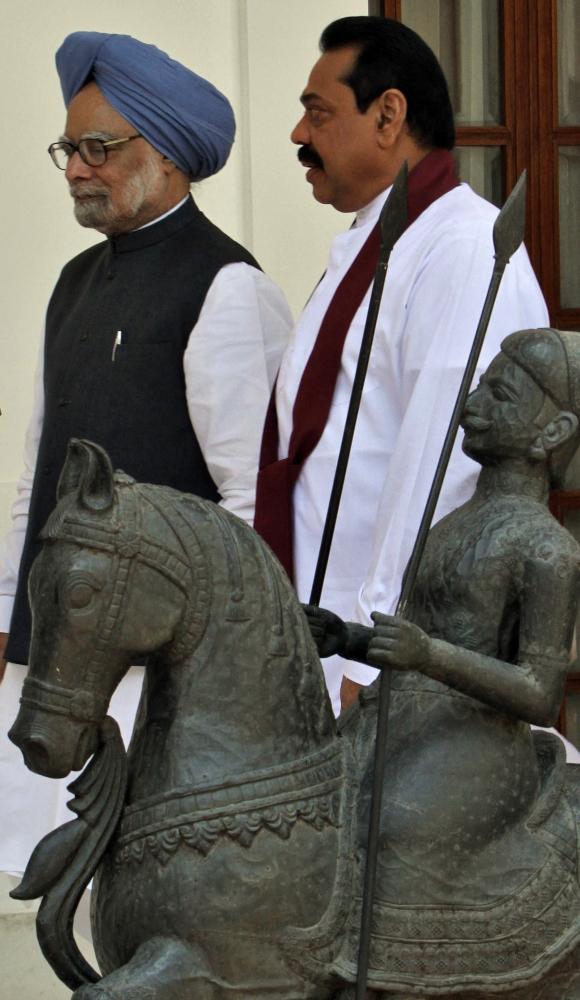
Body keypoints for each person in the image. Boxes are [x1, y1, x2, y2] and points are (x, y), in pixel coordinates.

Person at [0, 31, 291, 874]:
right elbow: (39, 477)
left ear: (165, 154)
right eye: (70, 148)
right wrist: (6, 613)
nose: (77, 168)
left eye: (99, 147)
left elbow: (250, 514)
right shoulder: (73, 285)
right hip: (50, 666)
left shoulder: (228, 287)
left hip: (157, 684)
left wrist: (225, 682)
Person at [254, 16, 549, 717]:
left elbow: (448, 465)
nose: (299, 134)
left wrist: (374, 649)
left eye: (318, 112)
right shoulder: (376, 244)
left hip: (383, 667)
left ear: (389, 115)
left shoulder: (465, 248)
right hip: (319, 639)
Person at [304, 327, 580, 994]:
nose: (472, 402)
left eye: (501, 394)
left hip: (479, 738)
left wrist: (429, 657)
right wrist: (348, 637)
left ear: (553, 432)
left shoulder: (547, 548)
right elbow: (420, 634)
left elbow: (540, 693)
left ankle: (403, 977)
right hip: (399, 715)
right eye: (481, 385)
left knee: (389, 826)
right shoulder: (454, 520)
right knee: (306, 803)